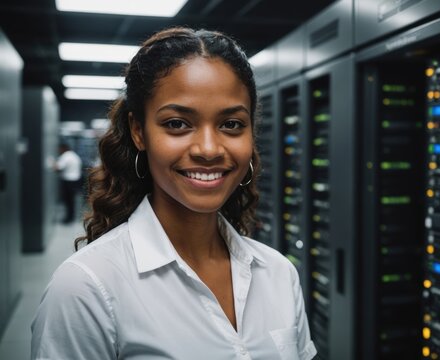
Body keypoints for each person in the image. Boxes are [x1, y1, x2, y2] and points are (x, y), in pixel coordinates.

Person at [31, 27, 317, 359]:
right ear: (139, 132)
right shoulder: (86, 288)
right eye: (178, 123)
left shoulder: (278, 273)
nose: (209, 149)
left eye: (232, 124)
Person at [55, 142, 82, 223]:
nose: (58, 151)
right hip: (75, 180)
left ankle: (69, 218)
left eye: (59, 149)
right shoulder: (74, 155)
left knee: (68, 201)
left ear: (63, 148)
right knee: (71, 200)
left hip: (68, 182)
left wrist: (51, 164)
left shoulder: (65, 156)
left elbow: (58, 168)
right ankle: (71, 217)